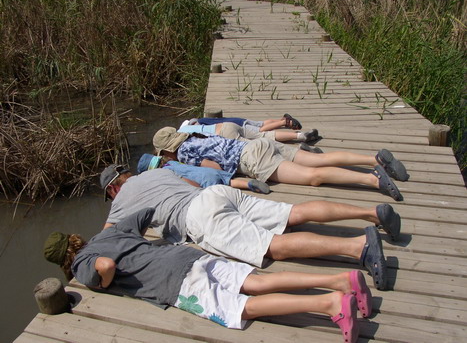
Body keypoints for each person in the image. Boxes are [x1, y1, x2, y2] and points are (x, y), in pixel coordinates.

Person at [43, 208, 372, 343]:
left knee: (242, 307)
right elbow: (144, 215)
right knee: (254, 282)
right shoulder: (104, 236)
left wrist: (105, 277)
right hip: (185, 255)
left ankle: (330, 304)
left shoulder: (83, 264)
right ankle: (339, 281)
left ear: (64, 262)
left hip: (175, 284)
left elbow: (104, 267)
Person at [101, 165, 402, 290]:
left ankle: (358, 247)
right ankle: (371, 212)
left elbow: (105, 240)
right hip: (215, 195)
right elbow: (191, 184)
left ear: (114, 189)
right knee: (293, 213)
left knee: (275, 246)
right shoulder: (156, 171)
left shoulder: (119, 202)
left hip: (200, 217)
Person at [153, 127, 409, 201]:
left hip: (253, 160)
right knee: (318, 160)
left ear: (167, 150)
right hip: (256, 146)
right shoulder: (198, 134)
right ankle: (374, 160)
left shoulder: (185, 154)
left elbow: (216, 170)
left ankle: (373, 180)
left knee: (312, 177)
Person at [137, 153, 270, 194]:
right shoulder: (173, 163)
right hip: (209, 172)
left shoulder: (165, 173)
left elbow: (183, 180)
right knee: (230, 181)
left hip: (204, 183)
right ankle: (249, 184)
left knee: (223, 191)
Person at [180, 118, 321, 149]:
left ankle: (296, 150)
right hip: (228, 126)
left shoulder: (182, 137)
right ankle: (300, 136)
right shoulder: (194, 124)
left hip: (224, 135)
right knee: (264, 135)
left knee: (257, 144)